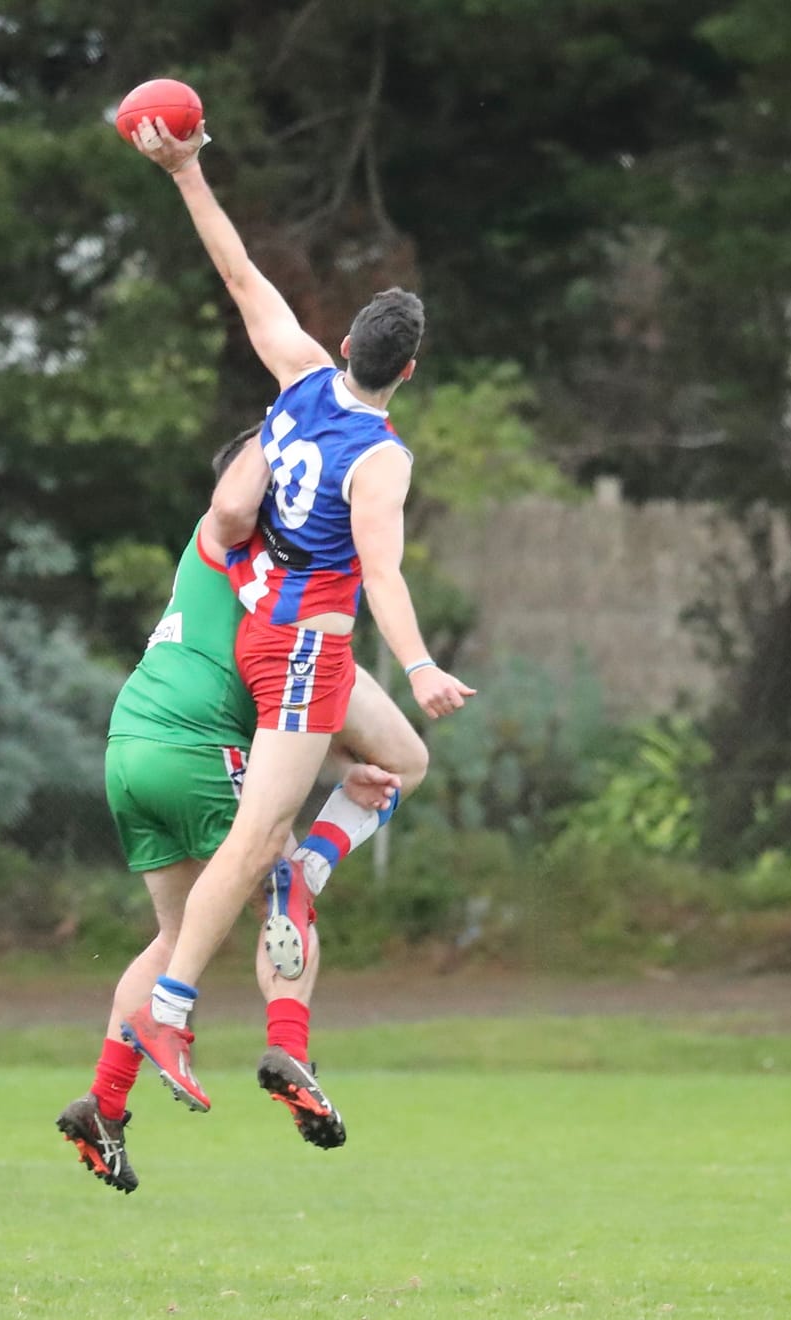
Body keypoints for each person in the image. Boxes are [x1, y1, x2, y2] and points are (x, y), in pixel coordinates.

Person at [117, 113, 475, 1112]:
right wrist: (419, 664)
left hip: (269, 629)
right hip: (304, 651)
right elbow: (382, 575)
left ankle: (303, 876)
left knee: (402, 759)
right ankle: (172, 1007)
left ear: (347, 346)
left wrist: (187, 171)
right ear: (406, 372)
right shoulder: (383, 457)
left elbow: (240, 276)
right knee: (254, 834)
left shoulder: (304, 376)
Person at [55, 428, 429, 1191]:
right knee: (282, 887)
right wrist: (298, 414)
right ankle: (289, 1048)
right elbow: (322, 708)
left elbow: (286, 710)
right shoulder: (269, 561)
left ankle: (104, 1103)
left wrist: (341, 763)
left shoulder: (225, 553)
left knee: (176, 935)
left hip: (130, 743)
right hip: (195, 748)